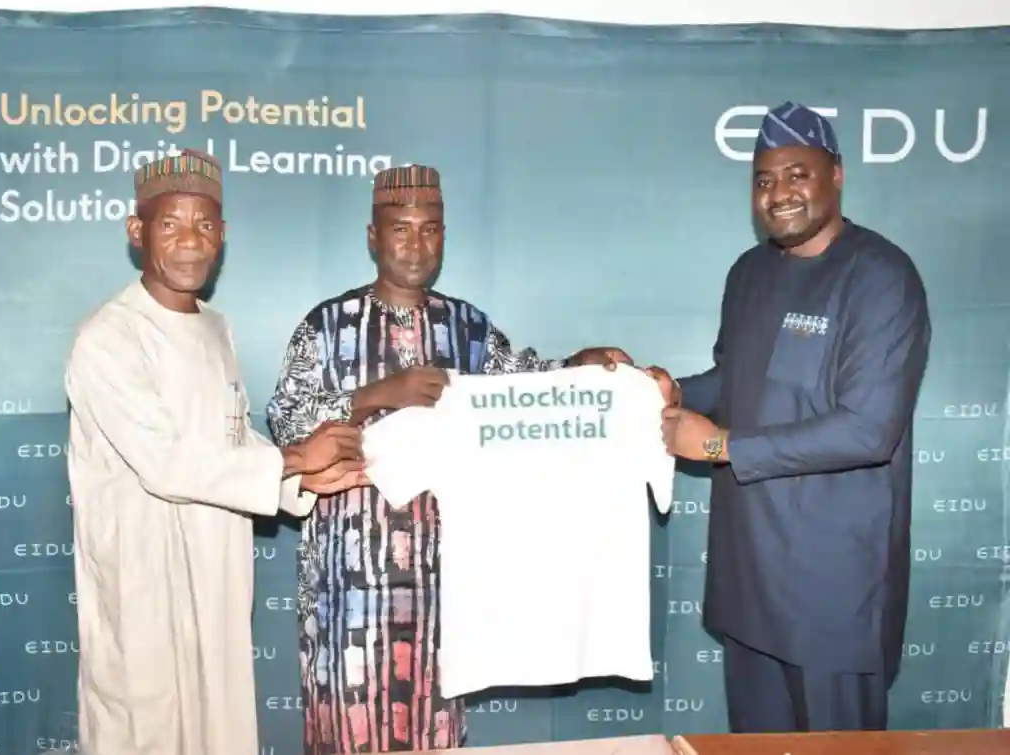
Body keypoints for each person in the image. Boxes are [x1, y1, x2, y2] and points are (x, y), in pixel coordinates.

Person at [266, 164, 633, 754]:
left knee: (433, 727)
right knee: (348, 730)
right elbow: (285, 420)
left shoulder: (468, 327)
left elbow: (526, 388)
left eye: (430, 229)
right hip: (346, 579)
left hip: (444, 579)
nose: (416, 245)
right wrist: (376, 394)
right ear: (373, 237)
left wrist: (579, 366)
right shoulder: (327, 325)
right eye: (401, 229)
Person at [64, 149, 367, 755]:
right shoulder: (107, 337)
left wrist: (301, 481)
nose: (190, 242)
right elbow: (164, 462)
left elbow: (230, 438)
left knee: (218, 726)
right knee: (146, 729)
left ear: (222, 236)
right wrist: (293, 460)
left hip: (217, 566)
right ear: (137, 231)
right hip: (143, 578)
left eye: (204, 225)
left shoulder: (216, 326)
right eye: (170, 224)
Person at [648, 103, 931, 733]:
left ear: (837, 175)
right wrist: (668, 392)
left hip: (833, 593)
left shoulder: (881, 277)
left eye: (797, 174)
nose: (779, 193)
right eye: (765, 179)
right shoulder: (748, 273)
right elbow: (735, 379)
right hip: (749, 577)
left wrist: (718, 446)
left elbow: (868, 429)